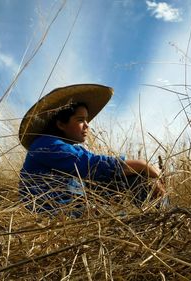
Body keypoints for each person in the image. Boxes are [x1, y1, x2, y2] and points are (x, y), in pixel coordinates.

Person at [18, 84, 166, 217]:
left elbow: (94, 172)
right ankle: (165, 218)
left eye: (87, 120)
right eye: (80, 120)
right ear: (61, 124)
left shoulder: (65, 148)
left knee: (134, 179)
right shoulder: (45, 144)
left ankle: (163, 215)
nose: (87, 125)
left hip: (73, 208)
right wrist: (142, 165)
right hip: (56, 215)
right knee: (135, 176)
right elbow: (92, 165)